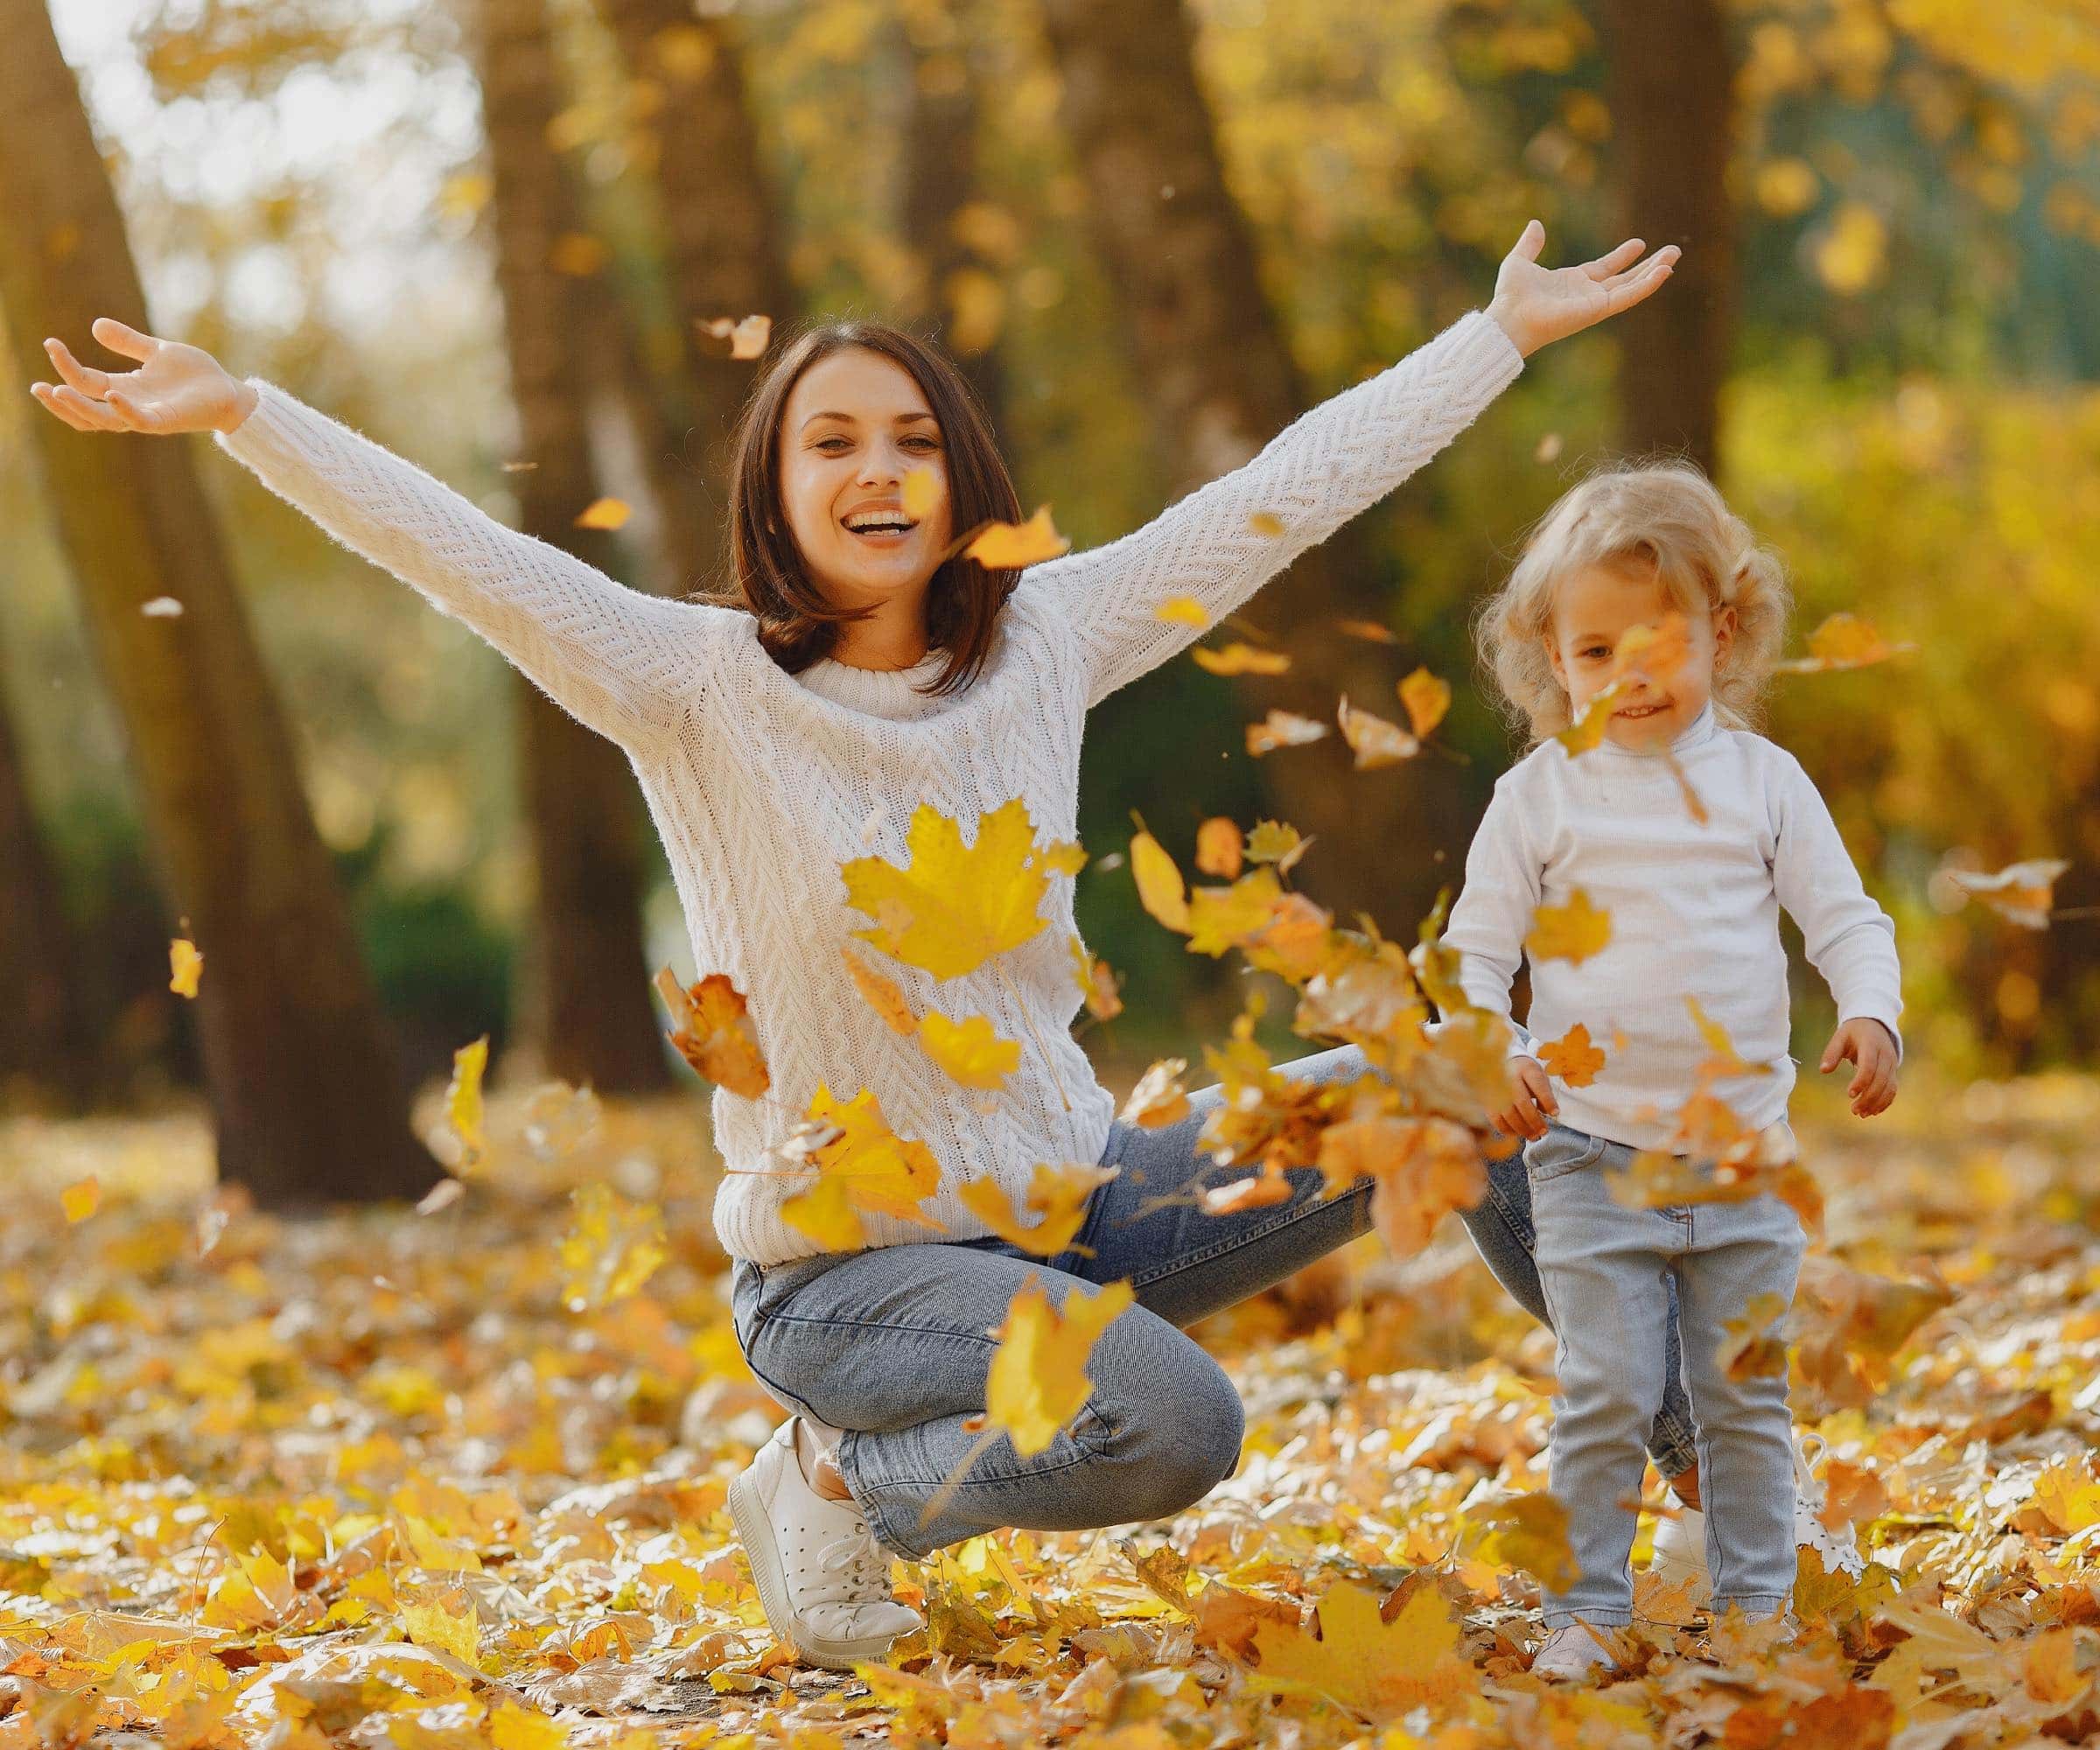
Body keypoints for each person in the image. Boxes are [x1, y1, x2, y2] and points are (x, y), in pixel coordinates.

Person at [29, 220, 1677, 1672]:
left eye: (911, 440)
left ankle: (1706, 1488)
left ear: (962, 479)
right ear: (776, 485)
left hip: (1077, 1201)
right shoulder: (688, 683)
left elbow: (1273, 504)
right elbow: (461, 553)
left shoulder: (1049, 642)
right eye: (832, 443)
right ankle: (831, 1479)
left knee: (1452, 1083)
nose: (877, 472)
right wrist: (246, 411)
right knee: (1176, 1426)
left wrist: (1495, 340)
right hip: (846, 1281)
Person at [1443, 462, 1902, 1679]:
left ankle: (1757, 1606)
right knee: (1603, 1394)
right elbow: (1473, 954)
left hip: (1748, 1160)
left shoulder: (1762, 784)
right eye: (1595, 654)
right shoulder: (1538, 799)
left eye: (1658, 642)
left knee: (1746, 1400)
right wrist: (1491, 1038)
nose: (1629, 676)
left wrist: (1872, 1011)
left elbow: (1846, 918)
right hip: (1592, 1156)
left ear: (1724, 629)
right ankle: (1587, 1610)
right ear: (1552, 657)